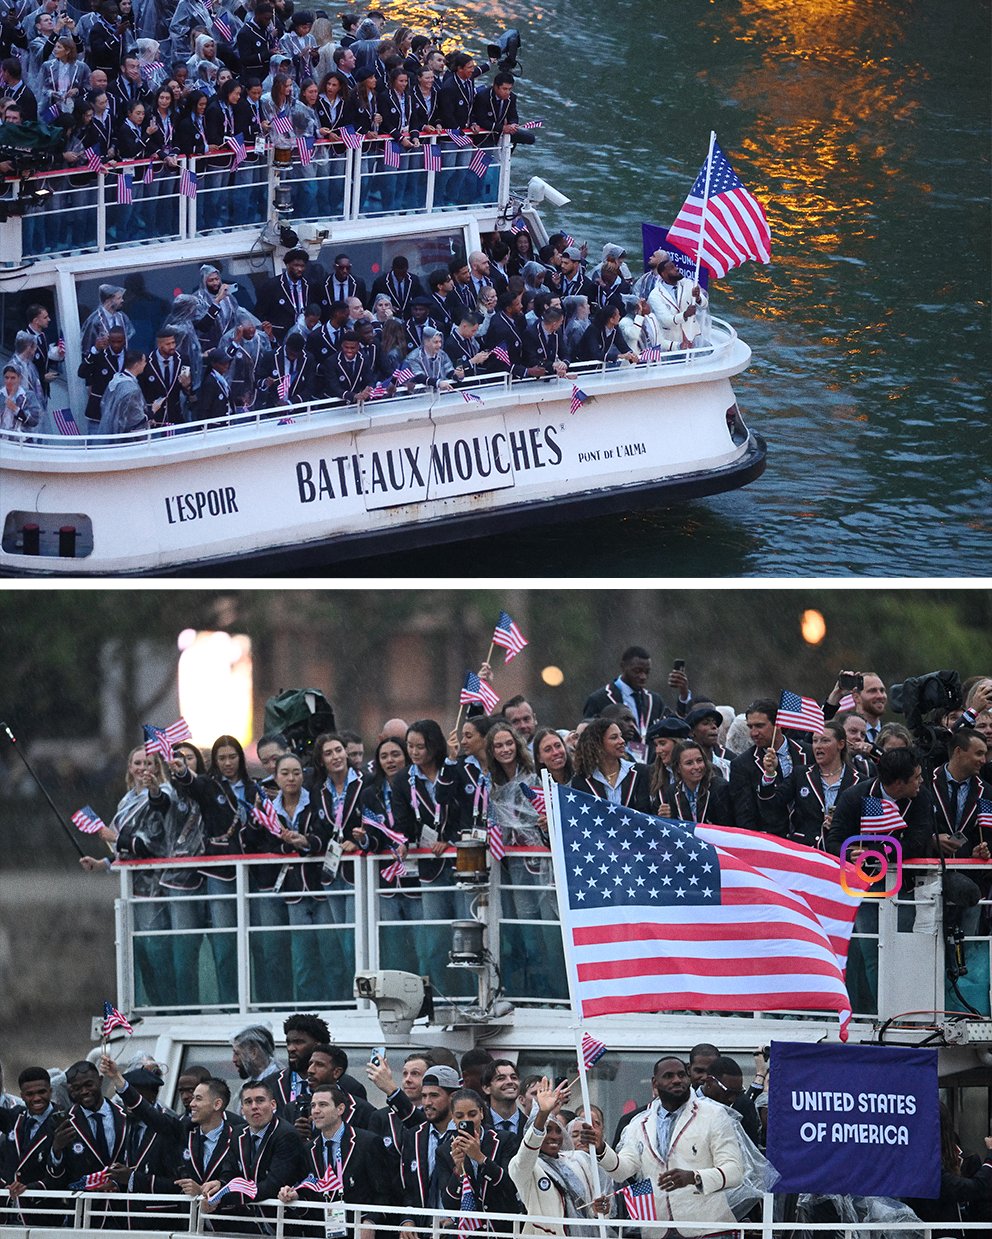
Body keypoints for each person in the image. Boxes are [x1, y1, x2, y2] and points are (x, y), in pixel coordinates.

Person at [580, 1056, 743, 1235]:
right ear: (655, 1082)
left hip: (708, 1228)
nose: (677, 1080)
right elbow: (623, 1171)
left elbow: (734, 1171)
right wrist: (601, 1148)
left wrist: (694, 1177)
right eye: (668, 1075)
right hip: (658, 1230)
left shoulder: (714, 1115)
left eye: (682, 1075)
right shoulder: (639, 1123)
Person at [278, 1084, 384, 1229]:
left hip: (359, 1229)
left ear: (340, 1109)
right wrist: (294, 1196)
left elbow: (384, 1193)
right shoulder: (309, 1150)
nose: (316, 1110)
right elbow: (309, 1194)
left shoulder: (367, 1142)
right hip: (324, 1229)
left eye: (323, 1105)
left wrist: (370, 1222)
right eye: (313, 1105)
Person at [200, 1078, 306, 1224]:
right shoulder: (237, 1133)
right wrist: (220, 1184)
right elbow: (230, 1170)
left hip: (284, 1221)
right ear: (242, 1109)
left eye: (260, 1100)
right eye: (248, 1102)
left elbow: (274, 1184)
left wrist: (222, 1198)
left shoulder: (286, 1134)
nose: (254, 1106)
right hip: (251, 1220)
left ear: (273, 1104)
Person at [509, 1076, 589, 1234]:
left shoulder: (574, 1161)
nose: (554, 1136)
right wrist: (542, 1116)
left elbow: (588, 1207)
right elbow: (528, 1152)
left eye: (559, 1130)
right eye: (547, 1130)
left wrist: (599, 1207)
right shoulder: (523, 1166)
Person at [728, 698, 811, 834]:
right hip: (772, 842)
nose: (754, 733)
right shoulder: (742, 765)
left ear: (777, 724)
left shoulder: (808, 752)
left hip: (808, 840)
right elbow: (745, 816)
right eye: (750, 727)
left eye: (760, 726)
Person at [571, 717, 652, 811]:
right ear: (597, 744)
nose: (622, 741)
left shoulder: (640, 772)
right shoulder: (581, 780)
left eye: (620, 736)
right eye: (614, 737)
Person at [648, 252, 709, 351]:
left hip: (693, 337)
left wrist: (698, 298)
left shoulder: (688, 283)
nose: (677, 269)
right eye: (672, 268)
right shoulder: (655, 296)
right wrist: (685, 315)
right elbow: (666, 320)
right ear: (663, 274)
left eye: (675, 266)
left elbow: (704, 305)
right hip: (673, 342)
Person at [669, 739, 734, 825]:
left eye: (699, 760)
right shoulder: (673, 790)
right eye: (689, 763)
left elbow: (726, 827)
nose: (696, 767)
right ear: (678, 768)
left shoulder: (719, 788)